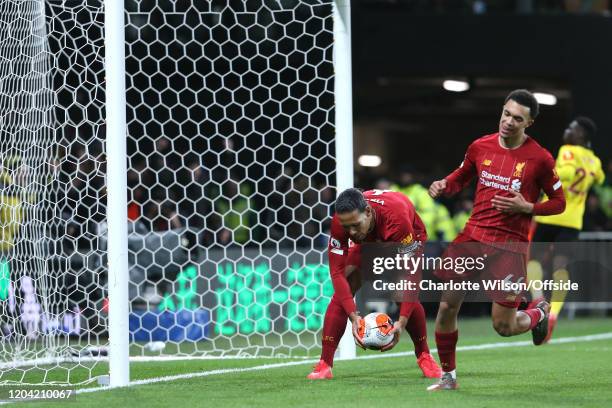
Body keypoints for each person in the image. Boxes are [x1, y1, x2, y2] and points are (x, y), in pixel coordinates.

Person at [427, 89, 566, 390]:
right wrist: (444, 185)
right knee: (447, 307)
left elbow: (559, 202)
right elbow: (461, 176)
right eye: (506, 114)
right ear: (502, 110)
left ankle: (539, 311)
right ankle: (448, 377)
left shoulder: (540, 159)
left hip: (509, 247)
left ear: (528, 123)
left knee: (503, 326)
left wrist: (527, 207)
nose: (508, 122)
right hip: (473, 236)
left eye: (518, 118)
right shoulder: (480, 146)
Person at [307, 188, 441, 380]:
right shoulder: (341, 221)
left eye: (355, 225)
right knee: (346, 284)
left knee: (401, 291)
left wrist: (401, 322)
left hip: (405, 238)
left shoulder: (397, 220)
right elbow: (336, 273)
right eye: (347, 228)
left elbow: (412, 275)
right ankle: (324, 364)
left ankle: (424, 356)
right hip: (368, 242)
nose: (351, 232)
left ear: (368, 212)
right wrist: (353, 315)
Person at [528, 117, 605, 340]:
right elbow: (599, 179)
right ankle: (554, 315)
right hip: (573, 222)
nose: (567, 130)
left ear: (580, 135)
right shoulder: (594, 161)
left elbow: (567, 173)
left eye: (572, 128)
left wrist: (551, 174)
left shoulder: (568, 150)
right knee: (561, 266)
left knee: (534, 260)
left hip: (550, 215)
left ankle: (539, 300)